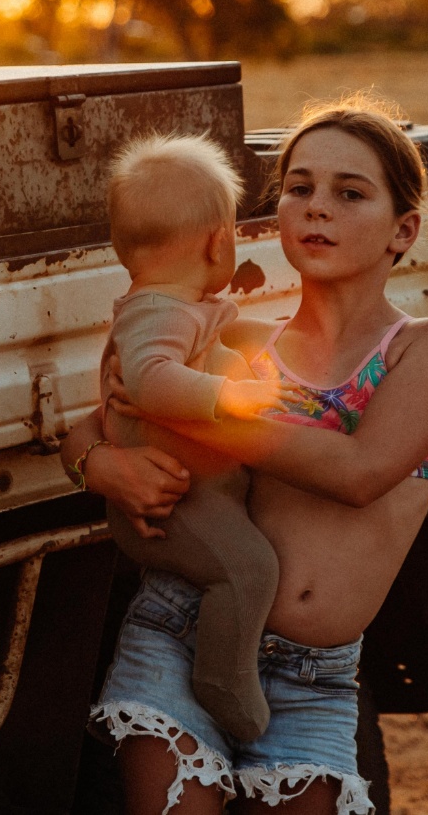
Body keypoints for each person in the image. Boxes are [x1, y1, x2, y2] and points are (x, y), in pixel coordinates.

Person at [61, 98, 428, 815]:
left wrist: (185, 407)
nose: (317, 208)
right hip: (179, 631)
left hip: (310, 676)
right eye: (299, 187)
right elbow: (93, 421)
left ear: (402, 230)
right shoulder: (246, 343)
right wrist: (101, 466)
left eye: (350, 193)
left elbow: (358, 473)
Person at [99, 134, 304, 743]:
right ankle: (223, 683)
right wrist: (231, 397)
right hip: (174, 499)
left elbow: (233, 327)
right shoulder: (157, 313)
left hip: (196, 488)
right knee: (248, 568)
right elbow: (151, 379)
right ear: (219, 239)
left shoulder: (184, 304)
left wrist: (290, 335)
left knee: (247, 560)